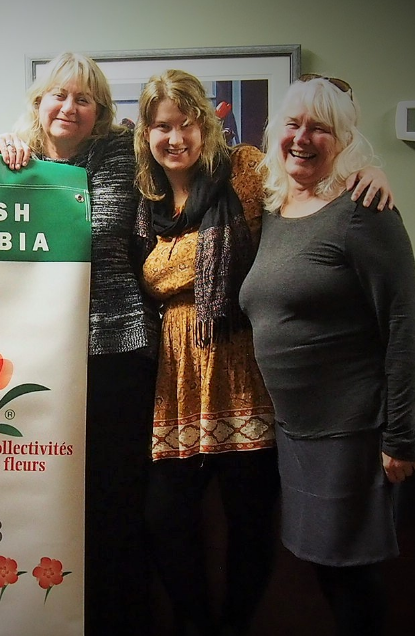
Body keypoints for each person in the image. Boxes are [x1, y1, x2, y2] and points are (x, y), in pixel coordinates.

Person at [136, 69, 395, 636]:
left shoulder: (246, 173)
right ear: (147, 136)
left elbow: (312, 180)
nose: (174, 138)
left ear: (205, 127)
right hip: (177, 384)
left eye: (185, 124)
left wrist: (369, 169)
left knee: (249, 523)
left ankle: (234, 627)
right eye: (161, 127)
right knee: (163, 517)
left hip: (246, 376)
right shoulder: (145, 199)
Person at [240, 75, 415, 636]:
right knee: (324, 567)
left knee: (351, 577)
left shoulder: (365, 208)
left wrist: (402, 435)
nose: (303, 138)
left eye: (321, 128)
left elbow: (405, 322)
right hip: (297, 431)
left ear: (343, 140)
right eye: (293, 125)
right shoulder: (272, 205)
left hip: (355, 431)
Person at [2, 52, 161, 635]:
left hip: (116, 351)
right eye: (58, 95)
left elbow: (204, 149)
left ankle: (117, 620)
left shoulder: (126, 152)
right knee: (43, 495)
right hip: (37, 355)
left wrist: (355, 169)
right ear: (38, 104)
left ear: (100, 112)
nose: (69, 107)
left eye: (84, 99)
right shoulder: (10, 158)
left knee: (115, 498)